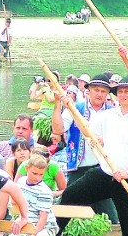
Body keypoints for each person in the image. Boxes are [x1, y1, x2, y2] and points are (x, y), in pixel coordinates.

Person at [56, 77, 128, 236]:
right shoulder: (108, 116)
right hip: (106, 174)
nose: (123, 95)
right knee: (70, 195)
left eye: (127, 92)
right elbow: (89, 133)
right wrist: (71, 109)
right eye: (120, 92)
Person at [51, 74, 119, 223]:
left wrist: (106, 139)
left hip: (103, 169)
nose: (99, 94)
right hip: (79, 167)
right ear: (88, 91)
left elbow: (121, 138)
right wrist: (58, 105)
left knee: (110, 214)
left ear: (107, 93)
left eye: (103, 91)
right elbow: (58, 130)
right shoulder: (75, 108)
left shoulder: (113, 112)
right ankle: (55, 234)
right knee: (67, 207)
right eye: (96, 90)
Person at [2, 155, 58, 236]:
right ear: (27, 168)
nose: (37, 177)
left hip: (45, 227)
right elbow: (15, 201)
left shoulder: (45, 191)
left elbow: (43, 219)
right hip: (27, 224)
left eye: (41, 174)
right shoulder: (21, 182)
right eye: (34, 173)